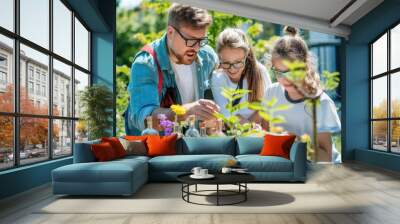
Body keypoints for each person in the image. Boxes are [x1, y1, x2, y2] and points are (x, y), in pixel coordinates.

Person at [124, 4, 220, 135]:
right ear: (170, 32)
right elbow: (144, 118)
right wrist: (184, 112)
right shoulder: (146, 63)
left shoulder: (207, 56)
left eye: (201, 40)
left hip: (191, 143)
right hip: (154, 149)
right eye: (190, 40)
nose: (197, 48)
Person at [265, 26, 341, 163]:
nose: (284, 79)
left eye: (291, 71)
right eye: (279, 72)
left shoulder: (321, 103)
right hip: (286, 165)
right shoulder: (272, 92)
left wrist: (296, 144)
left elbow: (326, 156)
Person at [211, 28, 272, 126]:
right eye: (226, 63)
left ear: (246, 55)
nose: (232, 69)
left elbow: (267, 109)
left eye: (238, 62)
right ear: (219, 57)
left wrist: (249, 128)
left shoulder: (260, 72)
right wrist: (249, 127)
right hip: (232, 132)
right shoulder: (217, 77)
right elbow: (226, 114)